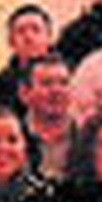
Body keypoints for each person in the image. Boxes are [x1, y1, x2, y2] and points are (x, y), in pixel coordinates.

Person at [0, 3, 55, 122]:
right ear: (11, 41)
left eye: (36, 30)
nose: (28, 37)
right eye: (21, 31)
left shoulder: (69, 77)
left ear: (49, 37)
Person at [19, 53, 76, 181]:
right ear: (24, 93)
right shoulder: (12, 140)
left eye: (64, 83)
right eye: (46, 83)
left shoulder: (88, 139)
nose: (56, 90)